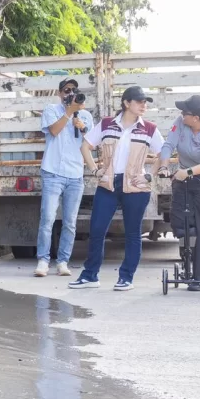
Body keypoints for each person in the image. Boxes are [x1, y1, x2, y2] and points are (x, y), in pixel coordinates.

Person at [70, 85, 164, 291]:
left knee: (132, 232)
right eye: (139, 101)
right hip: (108, 184)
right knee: (96, 230)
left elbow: (163, 154)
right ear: (126, 103)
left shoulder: (149, 128)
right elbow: (85, 146)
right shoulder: (106, 124)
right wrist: (95, 171)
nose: (143, 105)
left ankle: (126, 277)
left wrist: (149, 175)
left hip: (136, 187)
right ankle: (90, 276)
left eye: (145, 102)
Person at [156, 95, 200, 291]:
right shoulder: (181, 123)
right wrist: (163, 166)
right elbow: (168, 145)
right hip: (183, 178)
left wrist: (186, 172)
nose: (181, 115)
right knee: (179, 221)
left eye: (185, 112)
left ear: (196, 117)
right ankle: (191, 251)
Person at [34, 78, 93, 277]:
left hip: (75, 174)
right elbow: (53, 131)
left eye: (74, 90)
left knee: (70, 222)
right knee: (48, 218)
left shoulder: (85, 115)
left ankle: (63, 262)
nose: (70, 93)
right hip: (52, 173)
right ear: (60, 93)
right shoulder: (52, 109)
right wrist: (68, 112)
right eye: (67, 90)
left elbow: (90, 143)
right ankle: (43, 260)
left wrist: (83, 126)